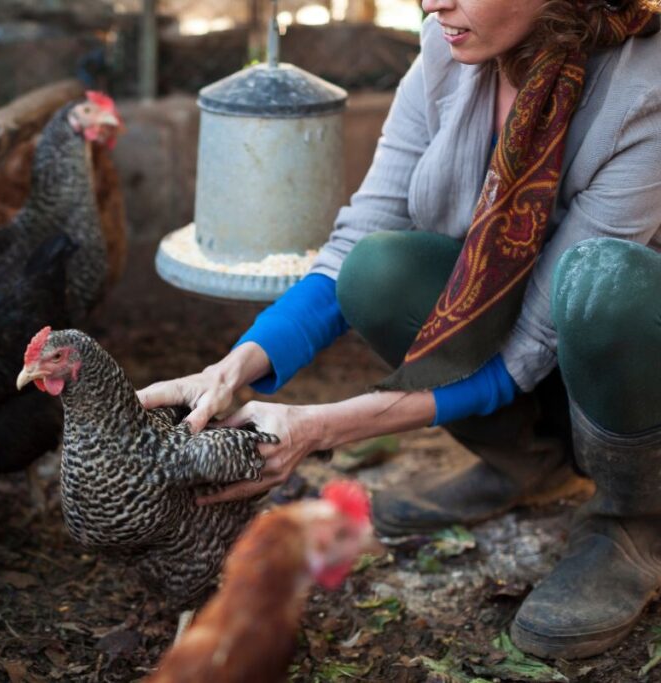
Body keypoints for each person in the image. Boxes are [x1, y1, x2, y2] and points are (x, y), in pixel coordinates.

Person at [138, 0, 661, 660]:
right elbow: (362, 231)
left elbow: (533, 342)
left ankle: (633, 521)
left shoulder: (647, 91)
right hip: (542, 369)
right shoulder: (448, 50)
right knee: (377, 270)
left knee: (602, 282)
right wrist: (235, 363)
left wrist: (319, 426)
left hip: (634, 380)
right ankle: (525, 461)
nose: (432, 1)